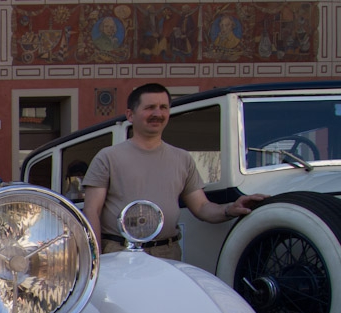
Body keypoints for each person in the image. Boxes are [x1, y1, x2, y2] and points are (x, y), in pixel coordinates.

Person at [82, 83, 266, 259]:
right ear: (130, 115)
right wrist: (96, 259)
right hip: (119, 251)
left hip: (168, 253)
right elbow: (92, 211)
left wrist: (230, 209)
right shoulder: (107, 157)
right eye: (150, 107)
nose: (157, 113)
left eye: (163, 107)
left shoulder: (183, 159)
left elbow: (201, 207)